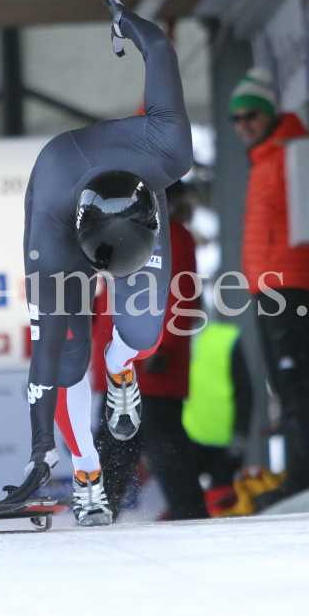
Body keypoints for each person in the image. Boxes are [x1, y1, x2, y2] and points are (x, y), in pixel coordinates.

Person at [3, 0, 193, 527]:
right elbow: (45, 364)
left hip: (132, 189)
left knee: (143, 332)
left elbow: (158, 47)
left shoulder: (169, 152)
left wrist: (124, 23)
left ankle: (122, 370)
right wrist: (42, 449)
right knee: (69, 356)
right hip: (60, 208)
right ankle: (88, 474)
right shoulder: (53, 232)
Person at [233, 67, 309, 499]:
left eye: (252, 115)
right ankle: (302, 473)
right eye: (236, 119)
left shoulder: (290, 155)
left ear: (271, 113)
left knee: (297, 383)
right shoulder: (264, 159)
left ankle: (308, 475)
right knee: (285, 385)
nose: (243, 125)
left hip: (291, 286)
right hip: (267, 288)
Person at [93, 180, 209, 521]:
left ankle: (190, 518)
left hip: (152, 368)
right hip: (128, 365)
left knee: (163, 455)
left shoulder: (173, 237)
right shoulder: (125, 236)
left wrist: (164, 347)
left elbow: (182, 297)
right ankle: (100, 515)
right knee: (122, 453)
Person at [181, 320, 253, 516]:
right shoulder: (225, 338)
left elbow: (245, 391)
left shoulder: (225, 338)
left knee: (216, 508)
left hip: (216, 447)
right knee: (194, 509)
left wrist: (240, 436)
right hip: (194, 441)